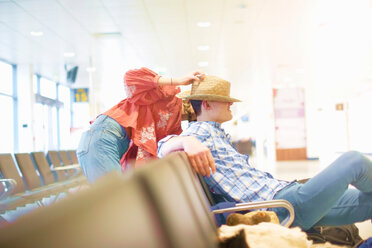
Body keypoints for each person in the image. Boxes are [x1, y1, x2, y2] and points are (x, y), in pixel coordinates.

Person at [157, 75, 372, 231]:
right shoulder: (200, 131)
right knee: (354, 161)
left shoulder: (216, 133)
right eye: (225, 100)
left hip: (285, 198)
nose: (231, 103)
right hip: (281, 205)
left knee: (368, 204)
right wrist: (186, 140)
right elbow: (161, 148)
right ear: (207, 103)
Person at [77, 67, 205, 183]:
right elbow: (131, 77)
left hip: (110, 139)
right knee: (115, 198)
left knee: (117, 198)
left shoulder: (175, 127)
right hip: (103, 135)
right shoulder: (167, 96)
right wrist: (178, 80)